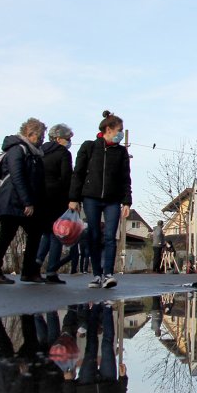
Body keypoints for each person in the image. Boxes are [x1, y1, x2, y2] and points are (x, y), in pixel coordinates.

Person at [68, 111, 132, 289]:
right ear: (108, 129)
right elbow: (78, 173)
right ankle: (96, 274)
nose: (120, 133)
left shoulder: (121, 152)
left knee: (110, 236)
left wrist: (127, 201)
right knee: (94, 235)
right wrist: (74, 198)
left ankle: (108, 274)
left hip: (113, 199)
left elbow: (125, 178)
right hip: (91, 197)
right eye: (119, 130)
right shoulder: (89, 147)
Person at [0, 118, 47, 284]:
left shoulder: (33, 153)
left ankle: (28, 271)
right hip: (11, 202)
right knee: (6, 235)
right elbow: (17, 176)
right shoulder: (17, 150)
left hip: (21, 203)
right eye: (40, 136)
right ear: (30, 134)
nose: (42, 140)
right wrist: (27, 202)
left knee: (34, 233)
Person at [35, 123, 74, 284]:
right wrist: (71, 198)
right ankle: (51, 271)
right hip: (57, 198)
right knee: (57, 234)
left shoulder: (40, 151)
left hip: (40, 197)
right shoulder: (63, 153)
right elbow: (67, 178)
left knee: (45, 233)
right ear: (58, 139)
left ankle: (35, 264)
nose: (69, 142)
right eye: (67, 139)